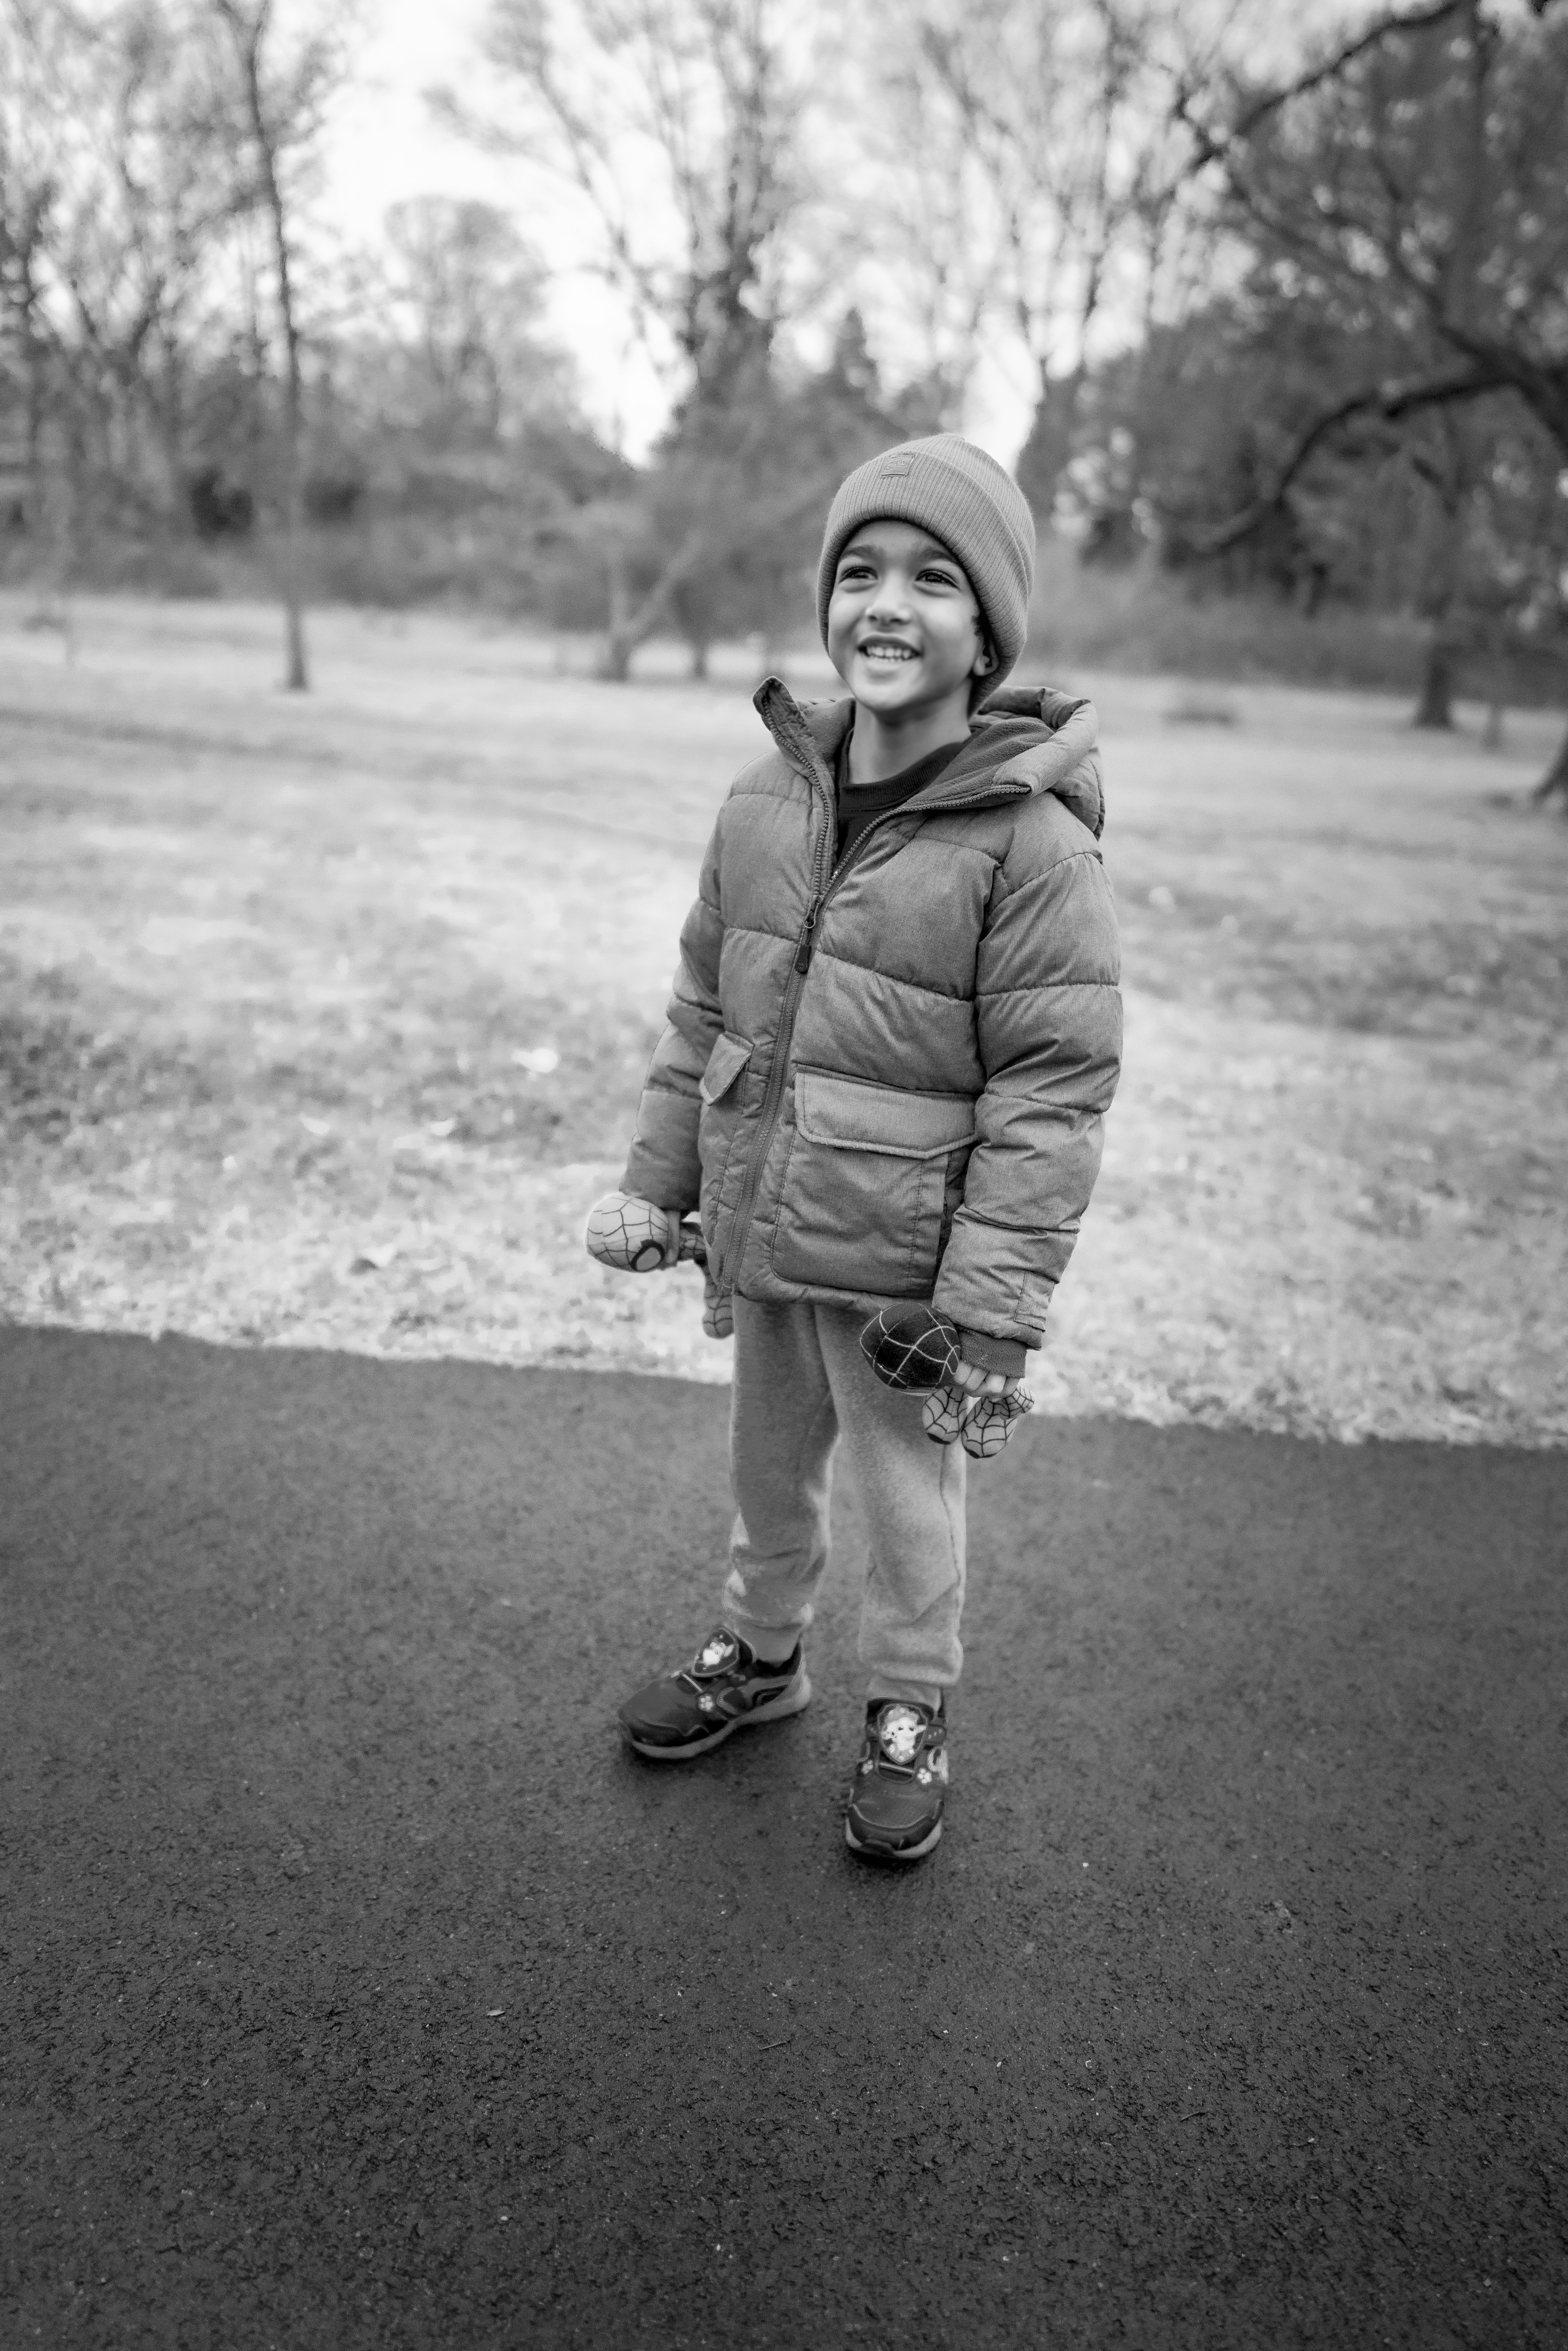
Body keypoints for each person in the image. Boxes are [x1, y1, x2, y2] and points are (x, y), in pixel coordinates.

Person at [606, 433, 1122, 1863]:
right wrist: (663, 1182)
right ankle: (762, 1655)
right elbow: (704, 999)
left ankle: (911, 1704)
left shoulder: (1031, 845)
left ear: (987, 632)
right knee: (768, 1463)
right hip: (769, 1217)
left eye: (934, 579)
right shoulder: (768, 795)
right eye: (860, 570)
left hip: (909, 1259)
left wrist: (993, 1307)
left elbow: (1053, 1089)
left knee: (909, 1495)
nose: (887, 603)